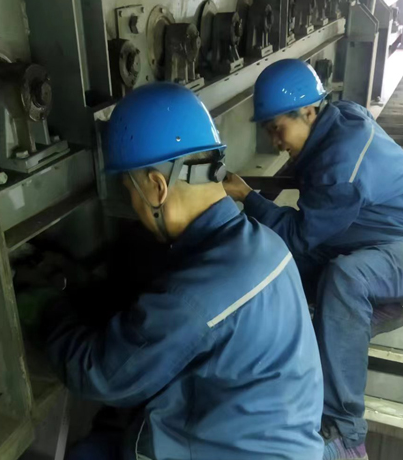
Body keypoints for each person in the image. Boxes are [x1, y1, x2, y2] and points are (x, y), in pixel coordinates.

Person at [42, 82, 324, 460]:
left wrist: (46, 308)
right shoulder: (265, 243)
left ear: (156, 186)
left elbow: (102, 375)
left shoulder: (195, 296)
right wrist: (85, 287)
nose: (132, 204)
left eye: (129, 188)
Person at [224, 59, 403, 460]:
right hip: (380, 241)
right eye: (268, 131)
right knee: (292, 267)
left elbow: (298, 236)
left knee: (346, 277)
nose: (275, 142)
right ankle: (377, 309)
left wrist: (248, 197)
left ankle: (345, 431)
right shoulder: (341, 116)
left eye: (278, 129)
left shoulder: (341, 168)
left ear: (309, 112)